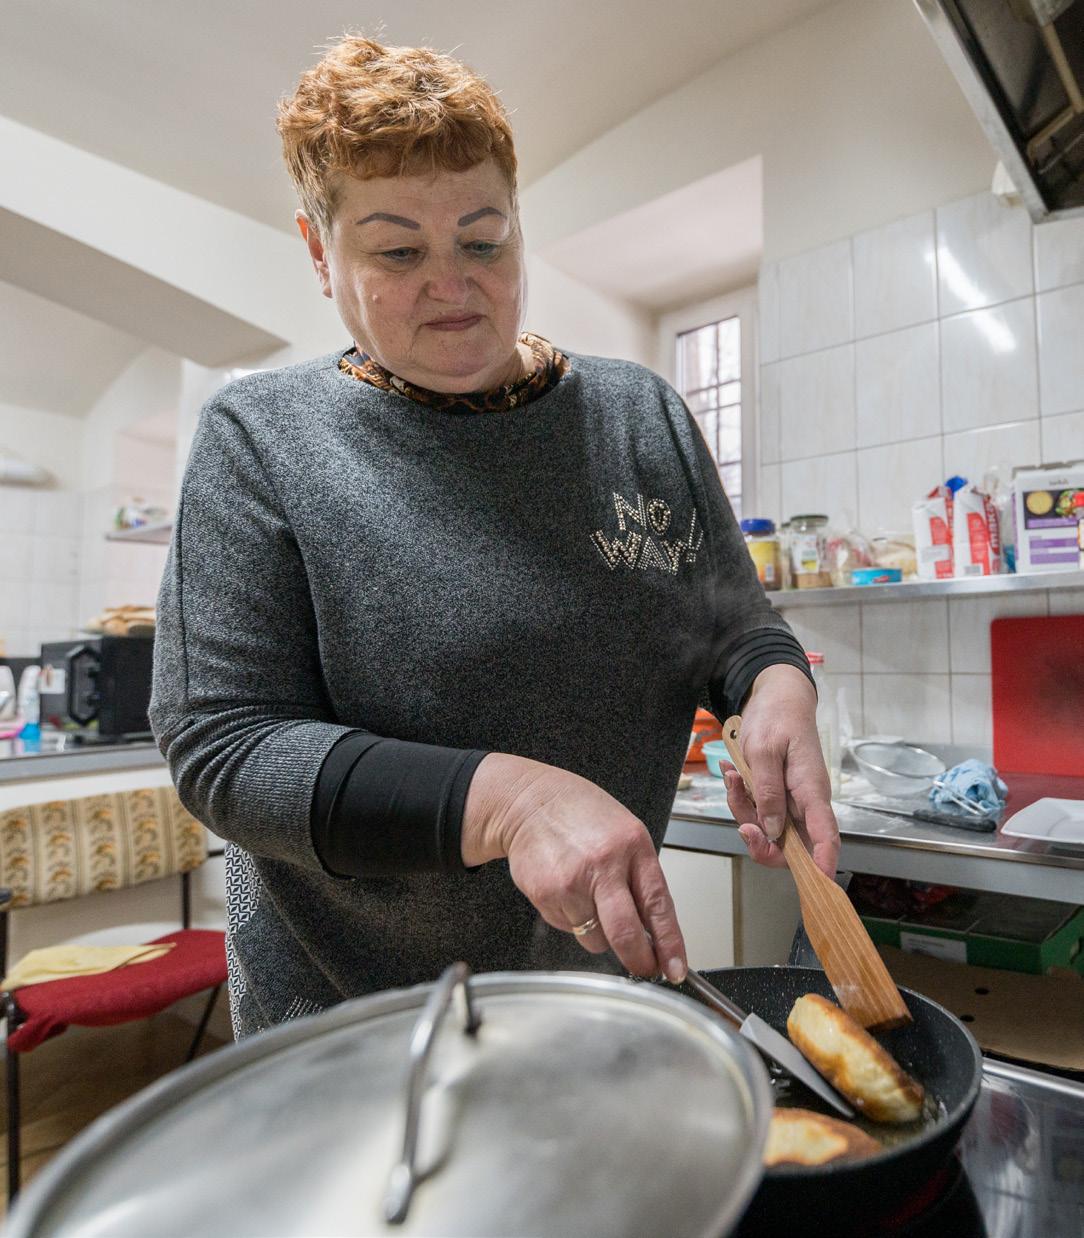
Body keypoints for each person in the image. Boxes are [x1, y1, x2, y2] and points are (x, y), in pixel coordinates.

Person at [150, 34, 839, 1039]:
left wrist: (775, 687)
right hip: (354, 1020)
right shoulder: (261, 438)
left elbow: (735, 631)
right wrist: (507, 803)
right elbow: (226, 746)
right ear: (319, 251)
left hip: (596, 992)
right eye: (398, 251)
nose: (453, 283)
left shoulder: (638, 416)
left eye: (483, 240)